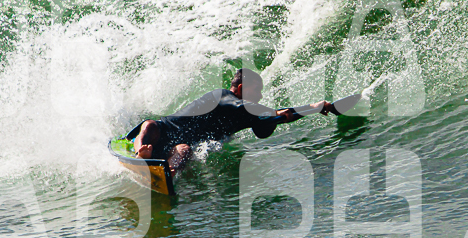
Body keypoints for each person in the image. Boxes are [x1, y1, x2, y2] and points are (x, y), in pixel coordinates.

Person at [126, 69, 331, 176]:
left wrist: (312, 108)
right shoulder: (222, 96)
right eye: (256, 91)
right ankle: (140, 154)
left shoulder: (246, 115)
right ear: (241, 88)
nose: (260, 96)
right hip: (161, 132)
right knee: (150, 125)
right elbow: (243, 107)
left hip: (175, 146)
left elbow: (281, 117)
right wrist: (273, 112)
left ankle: (167, 174)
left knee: (185, 150)